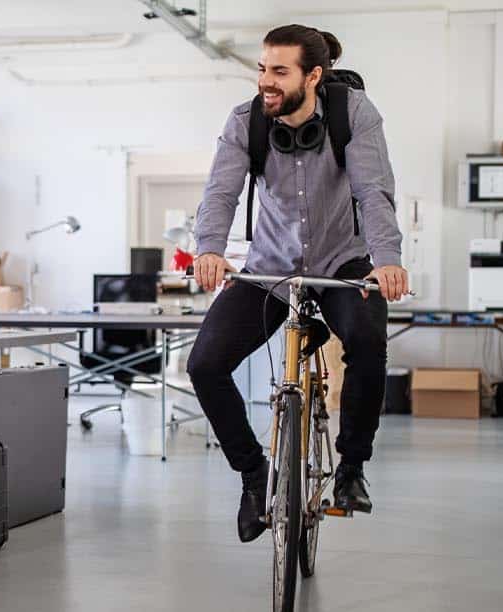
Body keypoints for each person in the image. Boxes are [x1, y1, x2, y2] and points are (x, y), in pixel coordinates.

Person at [188, 25, 408, 543]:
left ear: (313, 75)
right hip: (270, 267)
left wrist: (387, 260)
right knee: (205, 364)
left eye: (279, 71)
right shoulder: (246, 122)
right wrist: (209, 249)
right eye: (262, 68)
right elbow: (220, 192)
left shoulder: (353, 113)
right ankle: (252, 475)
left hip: (343, 265)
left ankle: (352, 467)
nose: (266, 80)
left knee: (368, 339)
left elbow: (374, 191)